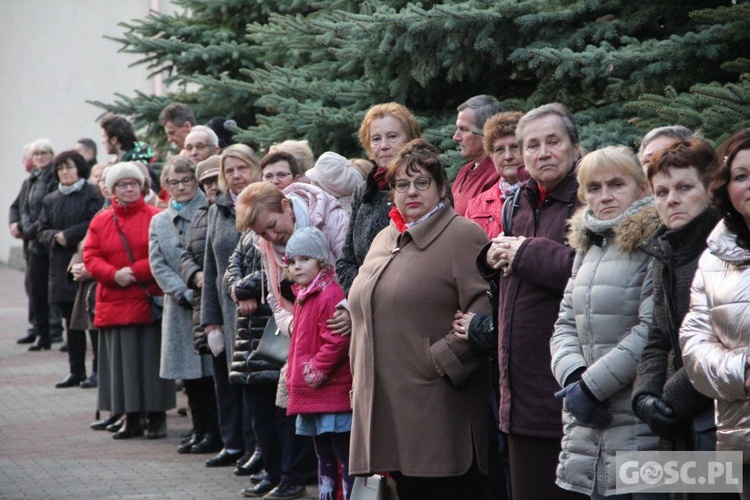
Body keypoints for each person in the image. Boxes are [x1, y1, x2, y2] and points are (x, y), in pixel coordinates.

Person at [348, 139, 491, 499]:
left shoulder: (462, 234)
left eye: (422, 182)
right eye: (402, 184)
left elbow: (484, 312)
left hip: (437, 405)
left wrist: (439, 362)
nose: (411, 191)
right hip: (385, 402)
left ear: (441, 188)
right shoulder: (385, 237)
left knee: (441, 490)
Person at [477, 103, 584, 500]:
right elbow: (510, 274)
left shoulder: (591, 198)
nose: (542, 153)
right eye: (532, 145)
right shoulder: (517, 203)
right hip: (518, 400)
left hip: (570, 397)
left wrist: (522, 254)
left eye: (553, 142)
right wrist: (489, 258)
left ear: (574, 146)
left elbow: (589, 273)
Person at [550, 146, 661, 498]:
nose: (605, 195)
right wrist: (572, 377)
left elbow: (650, 330)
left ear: (640, 187)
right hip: (584, 428)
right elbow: (565, 321)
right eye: (594, 188)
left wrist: (591, 388)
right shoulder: (589, 244)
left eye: (616, 184)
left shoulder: (653, 241)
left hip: (637, 423)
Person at [236, 181, 350, 499]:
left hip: (333, 372)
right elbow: (275, 295)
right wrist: (292, 324)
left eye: (272, 225)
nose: (272, 238)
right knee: (320, 451)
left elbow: (356, 274)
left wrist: (350, 309)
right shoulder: (270, 248)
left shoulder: (328, 223)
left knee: (341, 451)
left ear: (286, 206)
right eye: (263, 233)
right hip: (303, 353)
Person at [631, 138, 726, 500]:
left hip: (717, 419)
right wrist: (645, 397)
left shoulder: (724, 249)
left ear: (709, 190)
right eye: (662, 191)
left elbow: (725, 339)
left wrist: (673, 399)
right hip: (678, 423)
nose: (671, 199)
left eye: (685, 187)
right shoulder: (665, 249)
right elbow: (658, 336)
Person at [680, 129, 750, 499]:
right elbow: (693, 345)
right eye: (741, 176)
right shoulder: (714, 257)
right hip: (740, 442)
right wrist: (744, 372)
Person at [83, 162, 176, 440]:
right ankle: (131, 417)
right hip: (114, 298)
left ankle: (157, 418)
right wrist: (113, 274)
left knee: (151, 361)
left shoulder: (156, 216)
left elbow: (164, 254)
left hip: (147, 298)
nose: (129, 189)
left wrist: (133, 273)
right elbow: (90, 256)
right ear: (112, 190)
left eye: (133, 184)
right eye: (122, 185)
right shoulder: (101, 220)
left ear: (142, 186)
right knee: (121, 364)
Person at [148, 156, 220, 453]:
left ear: (196, 181)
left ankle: (215, 431)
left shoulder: (209, 210)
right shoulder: (159, 220)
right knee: (189, 375)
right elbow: (158, 262)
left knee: (210, 373)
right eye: (173, 183)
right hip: (179, 307)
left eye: (186, 180)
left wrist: (198, 290)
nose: (180, 187)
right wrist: (181, 292)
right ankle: (199, 427)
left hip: (208, 302)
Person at [201, 144, 261, 468]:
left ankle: (256, 447)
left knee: (252, 381)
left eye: (242, 168)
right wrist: (210, 320)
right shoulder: (218, 208)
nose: (236, 176)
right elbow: (211, 267)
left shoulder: (265, 202)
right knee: (225, 381)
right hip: (226, 309)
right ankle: (233, 443)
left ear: (254, 168)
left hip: (257, 310)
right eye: (230, 171)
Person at [283, 227, 353, 500]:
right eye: (292, 261)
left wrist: (315, 369)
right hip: (314, 392)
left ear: (321, 261)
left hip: (330, 389)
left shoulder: (330, 294)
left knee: (341, 452)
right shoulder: (304, 294)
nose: (297, 266)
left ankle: (346, 494)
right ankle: (327, 493)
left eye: (305, 259)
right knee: (322, 453)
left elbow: (337, 340)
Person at [336, 102, 421, 294]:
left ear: (410, 139)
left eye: (392, 137)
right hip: (365, 302)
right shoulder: (364, 192)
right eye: (376, 139)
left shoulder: (426, 185)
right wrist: (364, 292)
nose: (383, 146)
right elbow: (346, 259)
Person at [38, 151, 103, 387]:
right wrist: (56, 237)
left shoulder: (92, 193)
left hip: (86, 262)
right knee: (71, 323)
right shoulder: (50, 198)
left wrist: (69, 234)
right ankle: (76, 371)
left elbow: (94, 221)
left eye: (69, 167)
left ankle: (98, 371)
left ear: (79, 169)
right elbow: (41, 230)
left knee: (92, 321)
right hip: (60, 267)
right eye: (60, 169)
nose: (64, 172)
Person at [20, 138, 59, 351]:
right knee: (36, 289)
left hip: (48, 242)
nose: (40, 157)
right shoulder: (31, 180)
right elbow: (23, 205)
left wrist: (33, 229)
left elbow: (49, 207)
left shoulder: (54, 177)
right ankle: (41, 333)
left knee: (53, 290)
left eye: (44, 153)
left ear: (51, 155)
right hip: (34, 243)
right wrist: (26, 227)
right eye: (36, 154)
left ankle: (53, 331)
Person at [465, 111, 527, 239]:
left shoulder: (543, 195)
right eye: (499, 150)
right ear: (491, 156)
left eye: (514, 147)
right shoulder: (476, 206)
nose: (508, 156)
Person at [451, 95, 502, 216]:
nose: (456, 137)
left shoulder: (498, 175)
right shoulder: (465, 171)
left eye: (464, 129)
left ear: (486, 132)